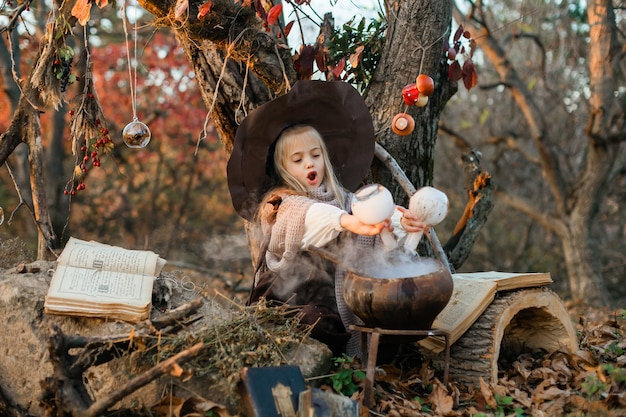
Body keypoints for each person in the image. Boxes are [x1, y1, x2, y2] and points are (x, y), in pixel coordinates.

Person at [227, 80, 428, 356]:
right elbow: (308, 215)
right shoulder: (281, 203)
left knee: (355, 327)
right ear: (284, 169)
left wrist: (399, 225)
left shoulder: (347, 201)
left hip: (332, 304)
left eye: (315, 155)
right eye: (297, 160)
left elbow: (376, 235)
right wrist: (347, 222)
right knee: (310, 321)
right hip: (288, 298)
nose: (309, 163)